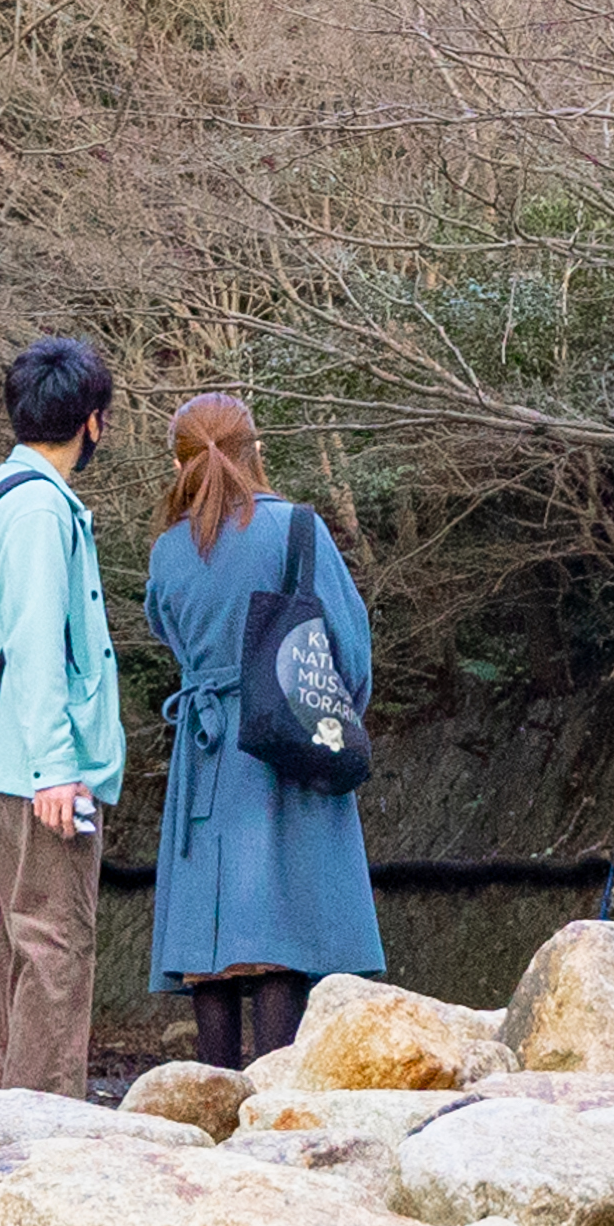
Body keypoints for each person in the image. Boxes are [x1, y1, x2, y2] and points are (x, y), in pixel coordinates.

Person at [142, 388, 379, 1071]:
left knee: (210, 943)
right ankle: (276, 1099)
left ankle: (210, 1101)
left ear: (179, 463)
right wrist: (327, 715)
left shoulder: (167, 553)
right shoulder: (296, 529)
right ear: (255, 450)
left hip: (205, 750)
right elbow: (350, 651)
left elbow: (171, 632)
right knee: (284, 930)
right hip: (283, 744)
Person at [0, 337, 123, 1096]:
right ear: (93, 422)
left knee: (4, 942)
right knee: (53, 945)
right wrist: (59, 767)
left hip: (0, 758)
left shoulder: (2, 495)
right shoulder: (42, 510)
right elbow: (37, 644)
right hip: (40, 768)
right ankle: (43, 1139)